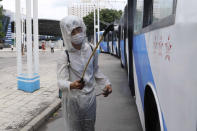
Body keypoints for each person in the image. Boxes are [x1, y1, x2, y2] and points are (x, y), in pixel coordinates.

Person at [57, 15, 112, 131]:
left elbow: (96, 70)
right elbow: (61, 82)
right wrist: (72, 85)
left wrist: (106, 84)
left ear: (83, 28)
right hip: (73, 102)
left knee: (89, 127)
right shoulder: (65, 55)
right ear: (67, 35)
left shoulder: (92, 49)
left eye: (79, 29)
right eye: (73, 32)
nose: (77, 33)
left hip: (90, 100)